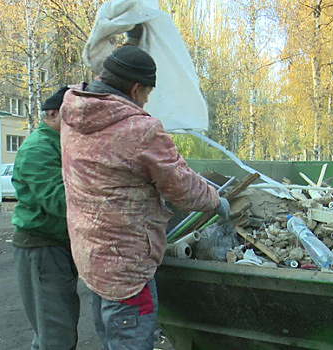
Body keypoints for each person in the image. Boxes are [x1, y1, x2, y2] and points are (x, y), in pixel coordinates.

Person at [59, 46, 230, 349]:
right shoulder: (140, 129)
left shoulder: (72, 114)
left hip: (93, 258)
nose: (147, 101)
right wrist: (215, 201)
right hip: (128, 270)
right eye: (148, 93)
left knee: (112, 339)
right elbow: (182, 187)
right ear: (136, 88)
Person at [11, 86, 80, 350]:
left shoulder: (60, 143)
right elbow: (59, 200)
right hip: (41, 247)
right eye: (71, 116)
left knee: (59, 324)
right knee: (55, 333)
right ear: (52, 114)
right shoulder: (38, 148)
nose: (78, 123)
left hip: (56, 246)